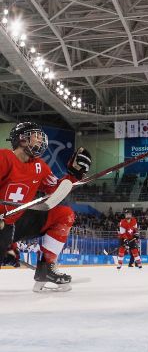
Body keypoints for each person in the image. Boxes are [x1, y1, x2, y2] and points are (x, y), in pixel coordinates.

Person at [0, 122, 91, 291]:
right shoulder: (4, 157)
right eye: (36, 135)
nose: (41, 139)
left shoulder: (39, 166)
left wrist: (74, 175)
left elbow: (56, 190)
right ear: (22, 139)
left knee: (64, 214)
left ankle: (46, 268)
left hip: (17, 221)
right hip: (2, 224)